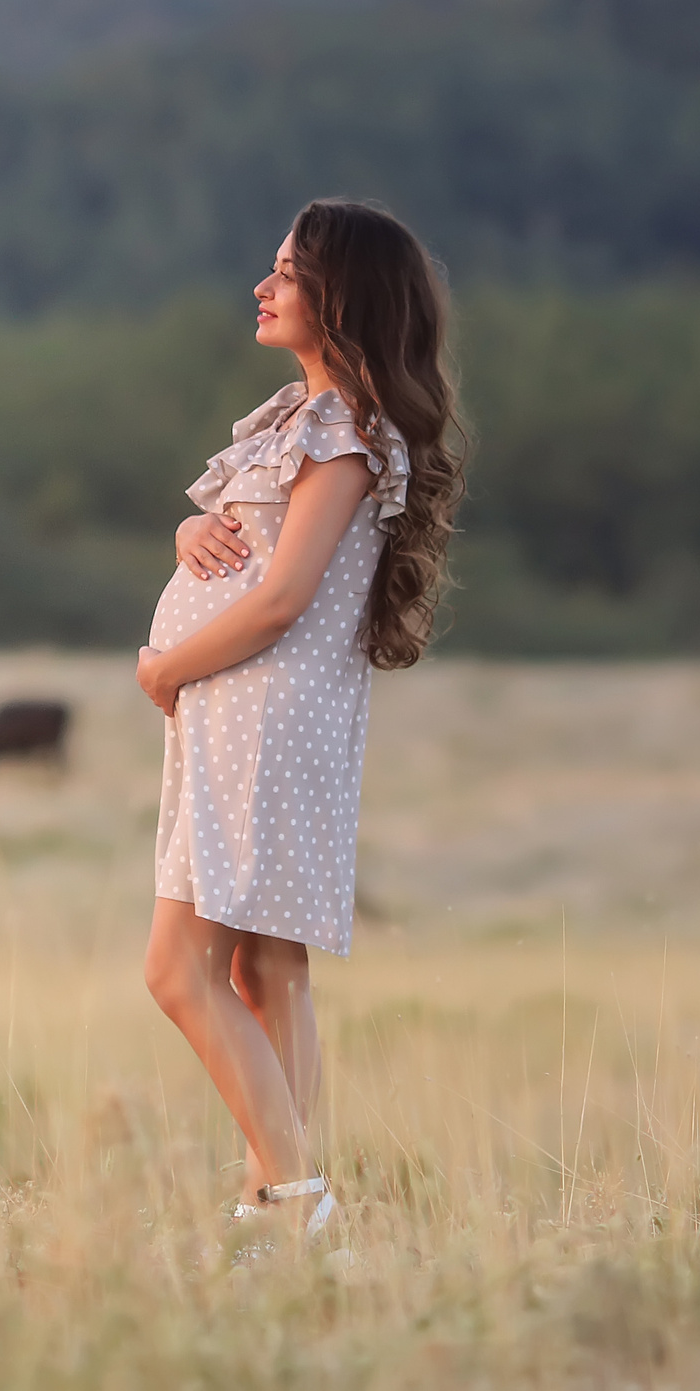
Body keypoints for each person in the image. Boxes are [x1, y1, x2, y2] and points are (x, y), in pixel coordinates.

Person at [134, 198, 463, 1242]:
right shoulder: (299, 420)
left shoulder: (343, 433)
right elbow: (246, 542)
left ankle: (293, 1195)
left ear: (342, 295)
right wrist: (196, 528)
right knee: (264, 967)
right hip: (257, 714)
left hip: (262, 715)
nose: (262, 286)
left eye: (285, 271)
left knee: (176, 970)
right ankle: (269, 1205)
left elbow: (282, 596)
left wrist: (164, 667)